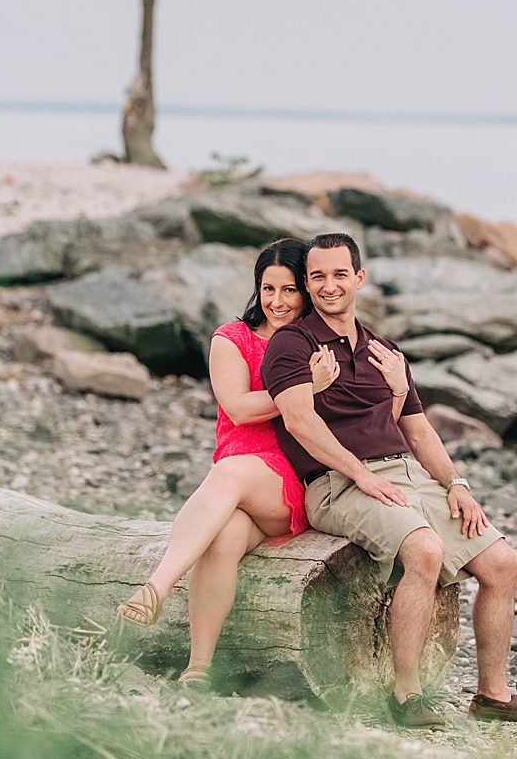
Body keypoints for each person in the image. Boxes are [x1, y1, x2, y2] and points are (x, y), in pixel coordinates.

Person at [261, 231, 517, 729]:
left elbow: (418, 430)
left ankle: (493, 696)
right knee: (424, 550)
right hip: (336, 483)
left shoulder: (385, 350)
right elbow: (298, 421)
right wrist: (359, 472)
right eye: (318, 276)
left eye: (340, 274)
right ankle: (406, 695)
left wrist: (456, 484)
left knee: (504, 564)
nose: (329, 285)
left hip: (406, 473)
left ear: (360, 277)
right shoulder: (292, 343)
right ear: (308, 283)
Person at [115, 236, 404, 685]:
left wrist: (397, 389)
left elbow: (365, 418)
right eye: (268, 289)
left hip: (290, 476)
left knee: (230, 473)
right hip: (235, 477)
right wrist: (305, 387)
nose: (277, 301)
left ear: (305, 291)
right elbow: (238, 409)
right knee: (223, 539)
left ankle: (158, 585)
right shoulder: (232, 339)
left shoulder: (312, 343)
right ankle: (198, 668)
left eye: (289, 290)